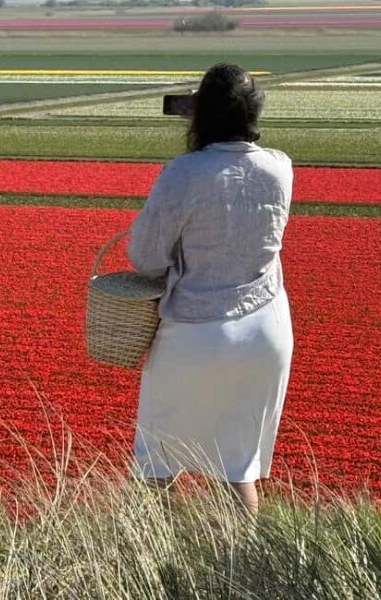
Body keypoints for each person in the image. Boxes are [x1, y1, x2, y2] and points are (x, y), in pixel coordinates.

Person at [127, 63, 294, 517]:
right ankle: (244, 570)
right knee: (237, 464)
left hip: (197, 330)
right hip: (267, 333)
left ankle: (169, 560)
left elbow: (145, 256)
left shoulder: (184, 172)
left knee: (158, 459)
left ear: (201, 115)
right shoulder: (280, 168)